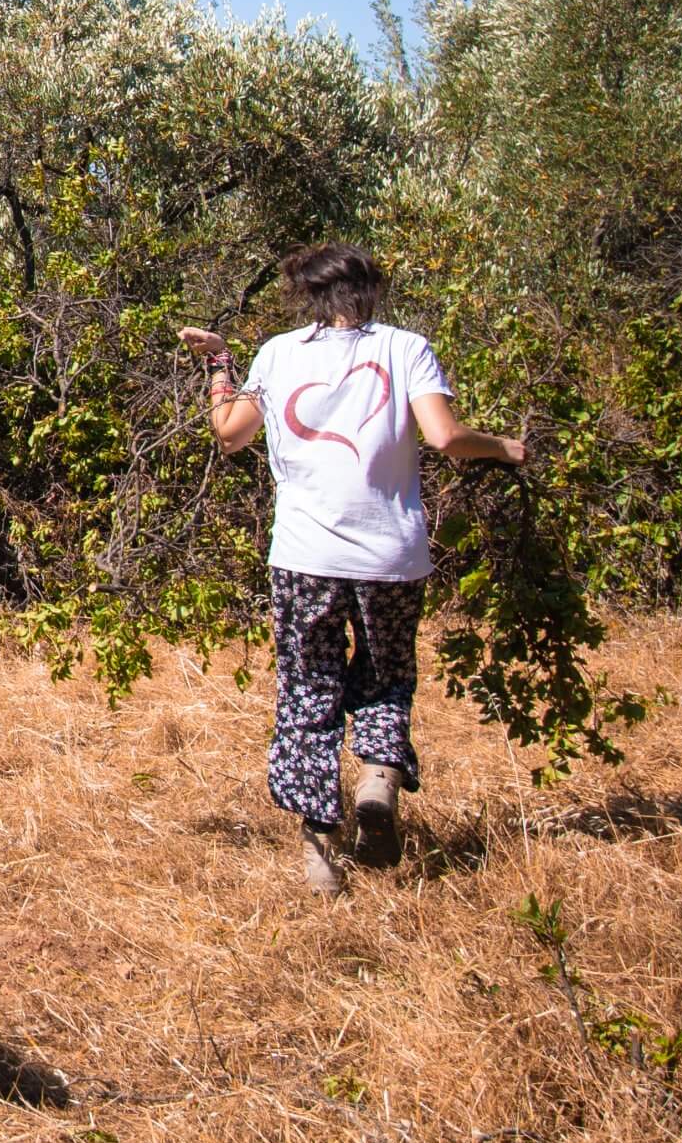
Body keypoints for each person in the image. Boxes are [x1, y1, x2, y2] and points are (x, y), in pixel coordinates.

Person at [178, 242, 524, 896]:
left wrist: (221, 364)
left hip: (305, 558)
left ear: (309, 295)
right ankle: (376, 784)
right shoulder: (405, 348)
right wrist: (503, 448)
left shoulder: (280, 352)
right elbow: (446, 437)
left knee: (309, 693)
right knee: (386, 679)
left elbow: (229, 431)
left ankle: (319, 856)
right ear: (372, 291)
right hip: (391, 556)